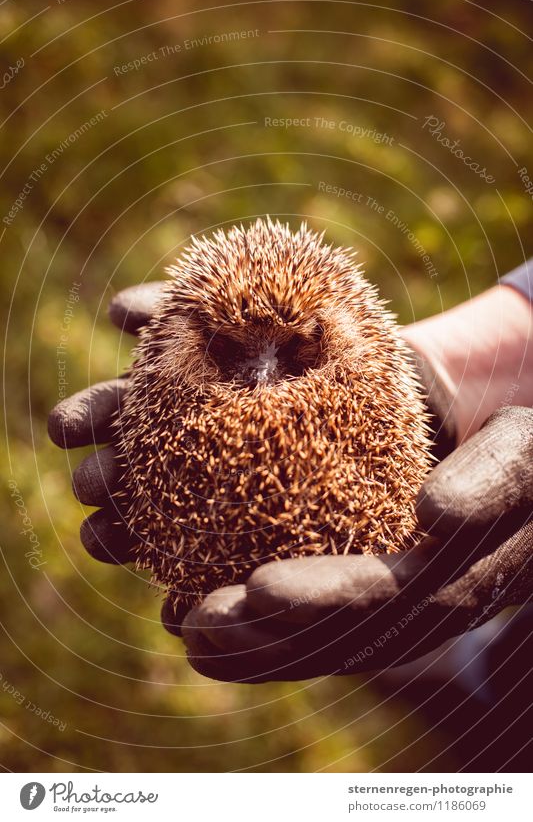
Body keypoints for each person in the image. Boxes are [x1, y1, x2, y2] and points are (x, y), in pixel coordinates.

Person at [48, 262, 533, 698]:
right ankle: (474, 664)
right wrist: (454, 369)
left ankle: (474, 673)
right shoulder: (180, 358)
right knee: (503, 670)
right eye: (235, 348)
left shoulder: (347, 349)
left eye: (293, 344)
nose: (263, 376)